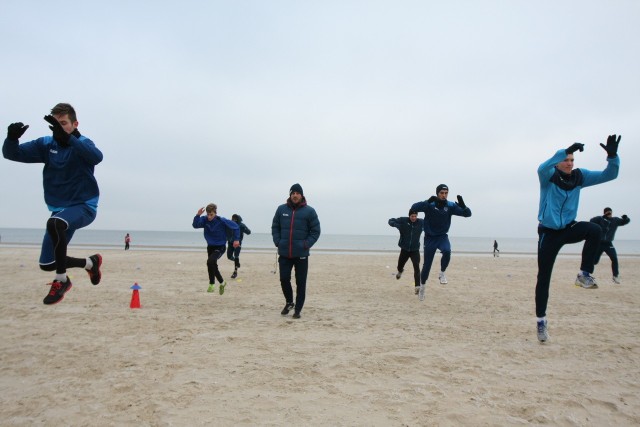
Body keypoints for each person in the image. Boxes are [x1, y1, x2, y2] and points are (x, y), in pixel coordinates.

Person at [3, 103, 104, 305]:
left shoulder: (83, 143)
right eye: (56, 124)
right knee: (47, 263)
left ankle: (62, 280)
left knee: (55, 224)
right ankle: (90, 263)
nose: (60, 127)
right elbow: (11, 154)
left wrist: (69, 139)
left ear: (75, 124)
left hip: (83, 206)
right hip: (59, 211)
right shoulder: (47, 145)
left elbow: (97, 157)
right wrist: (11, 139)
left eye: (64, 123)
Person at [535, 135, 621, 343]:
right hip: (548, 232)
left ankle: (584, 274)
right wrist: (564, 150)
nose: (570, 163)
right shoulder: (548, 177)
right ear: (559, 161)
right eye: (567, 159)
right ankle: (541, 322)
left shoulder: (579, 177)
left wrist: (612, 156)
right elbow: (540, 168)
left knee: (594, 229)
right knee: (543, 278)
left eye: (572, 160)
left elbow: (609, 175)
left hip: (569, 228)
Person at [411, 184, 472, 301]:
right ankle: (422, 287)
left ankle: (442, 273)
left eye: (446, 193)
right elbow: (414, 207)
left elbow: (468, 214)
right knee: (426, 266)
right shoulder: (430, 205)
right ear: (437, 193)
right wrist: (427, 201)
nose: (444, 195)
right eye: (442, 193)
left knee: (447, 251)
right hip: (429, 238)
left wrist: (463, 206)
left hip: (442, 237)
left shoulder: (450, 206)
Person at [271, 183, 321, 319]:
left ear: (301, 195)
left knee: (301, 282)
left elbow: (316, 231)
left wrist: (306, 244)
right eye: (293, 193)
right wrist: (278, 241)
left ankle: (298, 309)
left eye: (297, 193)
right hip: (285, 252)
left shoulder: (310, 211)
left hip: (301, 254)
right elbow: (275, 227)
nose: (295, 195)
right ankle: (289, 302)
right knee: (284, 279)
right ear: (290, 195)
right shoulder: (281, 209)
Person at [192, 203, 240, 295]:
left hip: (220, 246)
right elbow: (195, 225)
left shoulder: (222, 220)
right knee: (212, 265)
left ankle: (212, 284)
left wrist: (236, 239)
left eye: (211, 215)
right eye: (208, 214)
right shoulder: (204, 220)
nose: (209, 217)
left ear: (215, 213)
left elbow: (236, 227)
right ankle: (222, 283)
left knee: (210, 262)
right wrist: (198, 215)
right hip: (210, 246)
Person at [590, 207, 630, 284]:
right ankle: (587, 274)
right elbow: (591, 220)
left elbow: (625, 222)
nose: (609, 214)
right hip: (599, 243)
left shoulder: (615, 220)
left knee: (614, 258)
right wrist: (603, 217)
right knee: (594, 261)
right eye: (608, 213)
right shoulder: (600, 219)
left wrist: (626, 218)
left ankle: (615, 276)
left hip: (608, 243)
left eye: (610, 213)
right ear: (604, 213)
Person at [388, 209, 424, 295]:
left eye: (415, 216)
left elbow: (431, 223)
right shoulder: (403, 220)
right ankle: (400, 271)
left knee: (416, 267)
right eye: (412, 216)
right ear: (409, 216)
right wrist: (397, 225)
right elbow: (390, 221)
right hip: (404, 249)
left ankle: (417, 287)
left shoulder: (421, 222)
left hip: (415, 250)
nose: (414, 218)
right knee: (400, 266)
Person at [226, 214, 251, 279]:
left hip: (238, 243)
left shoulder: (241, 225)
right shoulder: (229, 224)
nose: (233, 220)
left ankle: (235, 272)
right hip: (230, 243)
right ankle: (236, 262)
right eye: (232, 218)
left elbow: (248, 232)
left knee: (236, 256)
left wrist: (244, 229)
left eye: (235, 219)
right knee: (229, 256)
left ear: (237, 219)